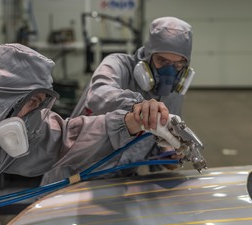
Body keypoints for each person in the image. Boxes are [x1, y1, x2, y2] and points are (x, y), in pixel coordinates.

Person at [0, 43, 171, 225]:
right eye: (32, 101)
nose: (31, 115)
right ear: (3, 90)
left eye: (39, 103)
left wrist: (129, 122)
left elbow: (64, 138)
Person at [41, 16, 194, 185]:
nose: (170, 71)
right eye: (162, 61)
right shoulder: (118, 65)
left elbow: (158, 144)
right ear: (148, 55)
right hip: (70, 178)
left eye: (178, 64)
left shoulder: (173, 94)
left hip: (121, 184)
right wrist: (137, 106)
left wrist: (168, 155)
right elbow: (99, 93)